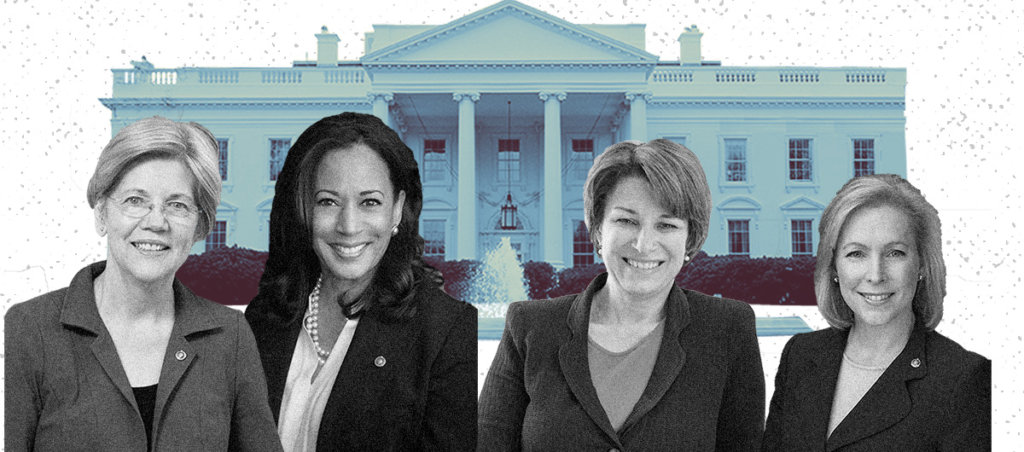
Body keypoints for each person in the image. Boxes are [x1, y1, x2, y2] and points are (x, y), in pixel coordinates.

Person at [4, 117, 281, 451]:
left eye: (177, 205)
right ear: (102, 213)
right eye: (135, 200)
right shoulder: (29, 330)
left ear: (199, 228)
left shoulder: (230, 337)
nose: (156, 222)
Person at [478, 139, 765, 451]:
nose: (643, 244)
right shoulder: (530, 326)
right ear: (599, 229)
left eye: (666, 225)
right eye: (627, 221)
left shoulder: (727, 329)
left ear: (690, 239)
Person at [244, 112, 477, 451]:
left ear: (397, 209)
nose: (349, 226)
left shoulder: (448, 333)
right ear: (302, 209)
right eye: (328, 201)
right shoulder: (264, 317)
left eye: (370, 202)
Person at [762, 174, 991, 451]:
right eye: (856, 254)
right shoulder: (801, 355)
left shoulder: (961, 378)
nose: (875, 275)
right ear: (833, 267)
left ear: (921, 265)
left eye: (895, 253)